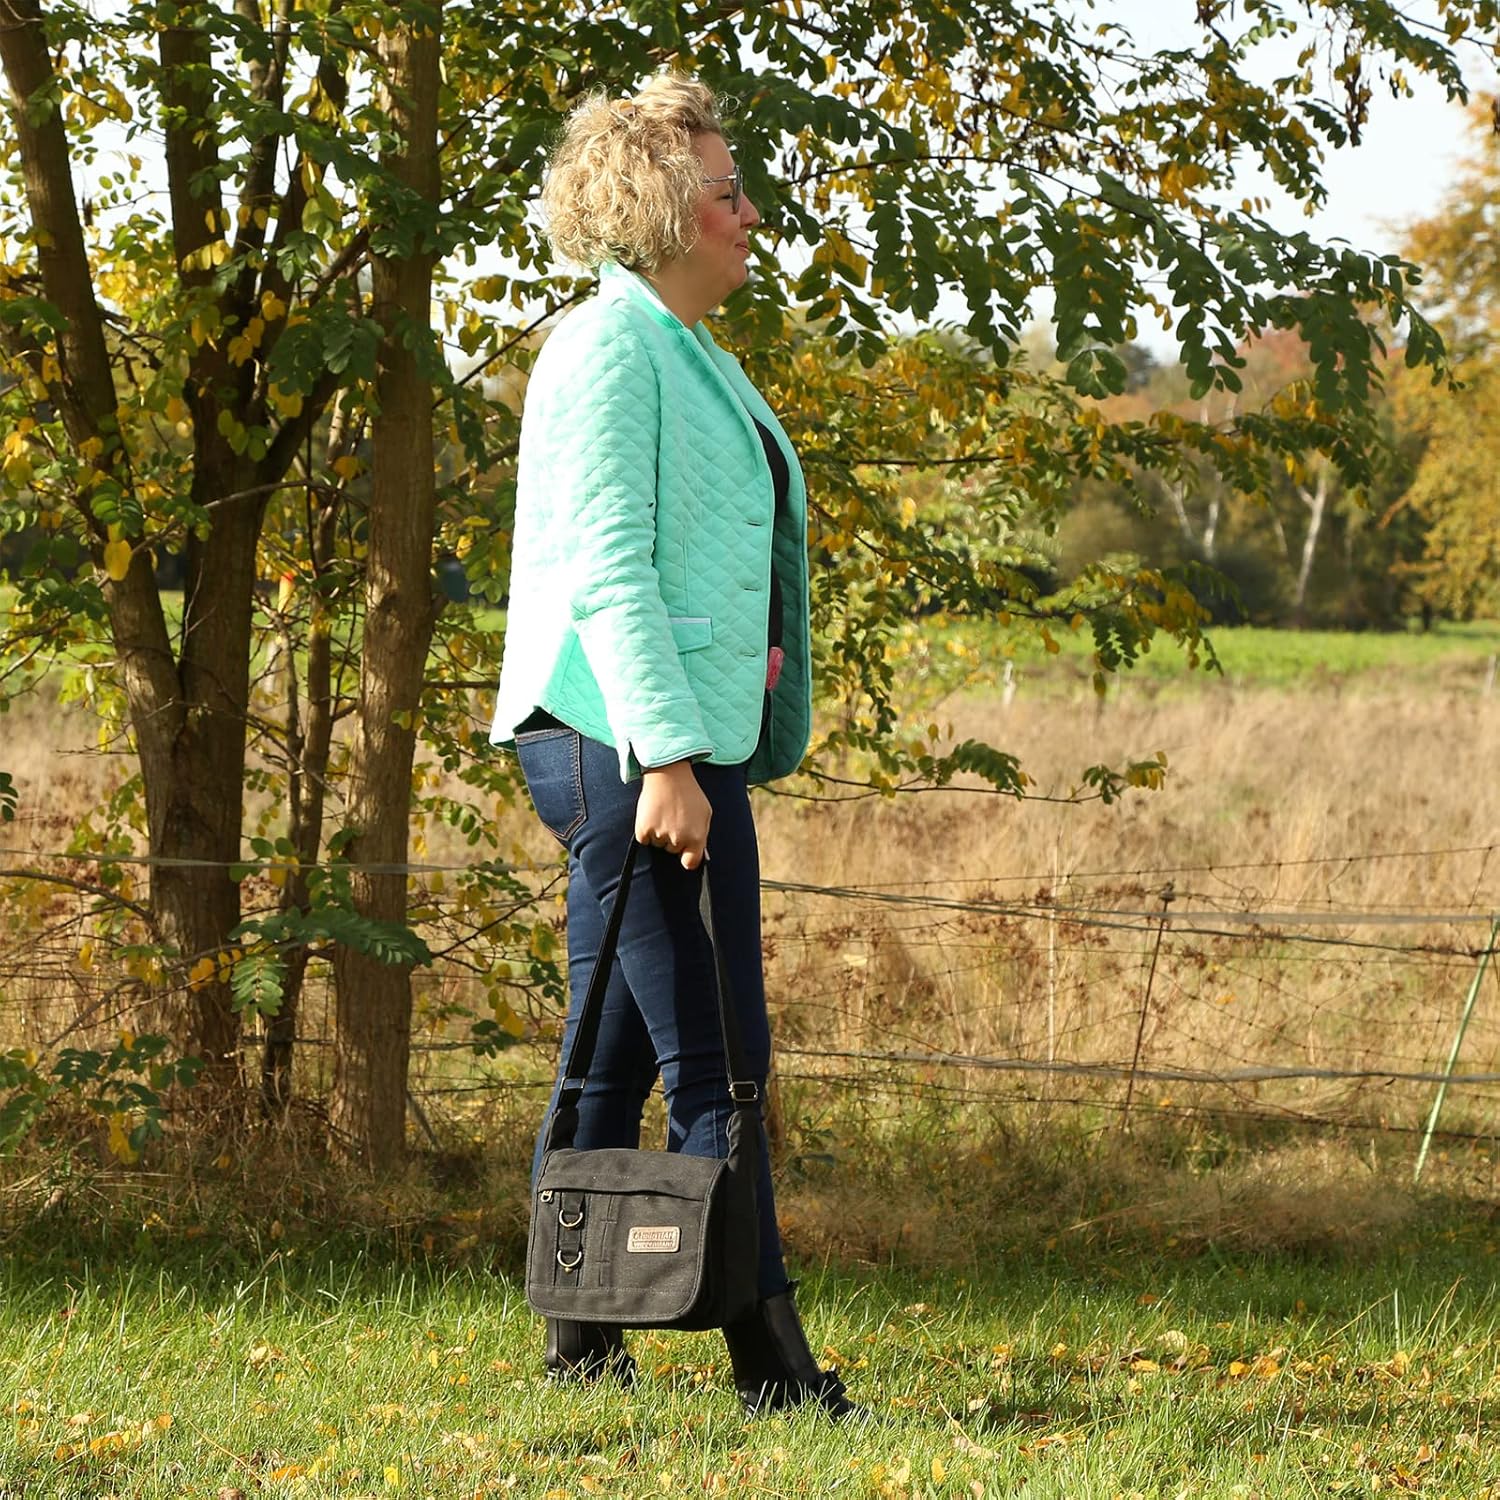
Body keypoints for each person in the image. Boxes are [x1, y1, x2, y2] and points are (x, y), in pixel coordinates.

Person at [491, 73, 855, 1419]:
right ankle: (776, 1374)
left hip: (644, 741)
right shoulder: (607, 349)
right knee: (721, 1056)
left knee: (617, 1054)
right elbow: (611, 571)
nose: (752, 213)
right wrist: (667, 759)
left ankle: (580, 1344)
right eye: (727, 193)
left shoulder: (685, 348)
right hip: (624, 741)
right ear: (659, 210)